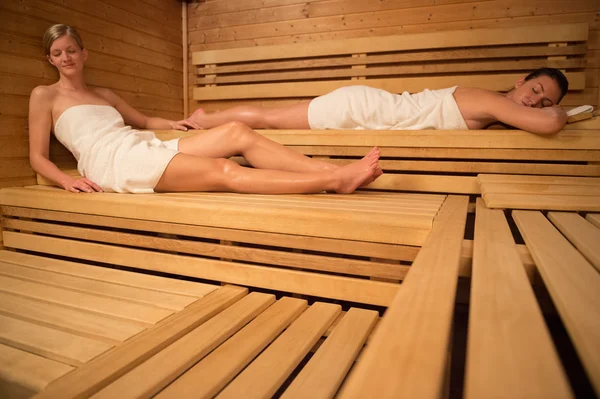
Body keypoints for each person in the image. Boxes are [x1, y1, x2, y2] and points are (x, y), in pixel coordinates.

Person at [29, 24, 382, 194]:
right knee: (222, 170)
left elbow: (143, 121)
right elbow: (37, 156)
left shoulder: (103, 93)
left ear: (83, 53)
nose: (66, 57)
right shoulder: (44, 96)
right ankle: (334, 180)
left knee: (236, 133)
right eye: (58, 53)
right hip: (111, 162)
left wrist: (174, 122)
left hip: (139, 143)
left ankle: (330, 169)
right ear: (50, 59)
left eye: (72, 50)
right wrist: (65, 181)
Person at [187, 68, 569, 135]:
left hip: (368, 110)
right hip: (362, 109)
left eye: (544, 100)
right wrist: (567, 110)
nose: (535, 102)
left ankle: (206, 119)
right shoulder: (491, 101)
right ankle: (202, 121)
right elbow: (550, 124)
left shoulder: (497, 112)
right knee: (268, 119)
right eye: (535, 91)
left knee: (270, 119)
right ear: (521, 82)